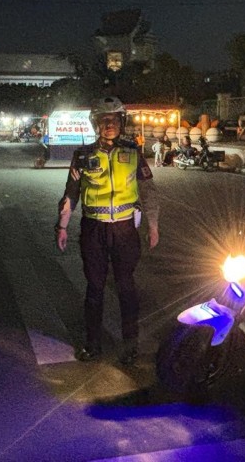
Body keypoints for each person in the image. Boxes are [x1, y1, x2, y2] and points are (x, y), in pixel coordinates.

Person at [55, 96, 160, 366]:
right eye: (103, 120)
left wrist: (153, 224)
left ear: (121, 122)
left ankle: (130, 345)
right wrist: (62, 226)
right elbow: (71, 193)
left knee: (126, 287)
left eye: (114, 119)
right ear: (96, 124)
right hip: (94, 231)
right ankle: (92, 344)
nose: (109, 125)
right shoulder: (83, 156)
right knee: (95, 289)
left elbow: (148, 191)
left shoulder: (133, 153)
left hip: (125, 229)